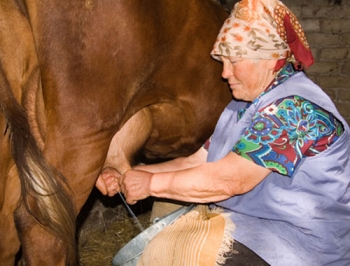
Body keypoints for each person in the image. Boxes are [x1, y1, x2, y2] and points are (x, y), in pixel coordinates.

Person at [96, 0, 350, 265]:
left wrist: (150, 184)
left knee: (176, 252)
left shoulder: (295, 108)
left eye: (235, 60)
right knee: (165, 241)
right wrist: (128, 173)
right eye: (223, 61)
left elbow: (230, 180)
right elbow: (197, 161)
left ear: (271, 59)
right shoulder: (240, 106)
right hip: (253, 227)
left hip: (301, 243)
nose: (225, 73)